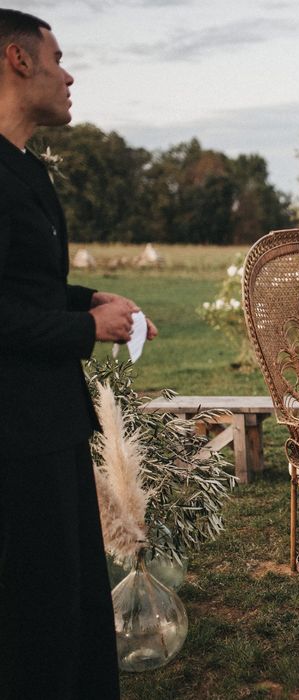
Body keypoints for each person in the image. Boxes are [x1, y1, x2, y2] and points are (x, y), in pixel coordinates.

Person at [0, 10, 156, 698]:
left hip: (50, 422)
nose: (70, 75)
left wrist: (88, 298)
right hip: (10, 438)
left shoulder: (26, 170)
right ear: (17, 59)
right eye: (57, 58)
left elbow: (23, 289)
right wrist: (85, 331)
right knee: (34, 609)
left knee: (72, 600)